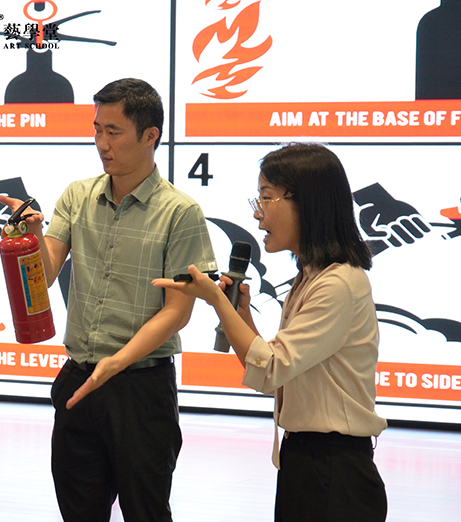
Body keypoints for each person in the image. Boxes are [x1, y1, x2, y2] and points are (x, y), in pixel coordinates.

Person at [0, 78, 217, 522]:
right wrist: (32, 236)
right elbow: (46, 274)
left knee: (146, 512)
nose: (101, 143)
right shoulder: (77, 195)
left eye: (113, 132)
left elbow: (177, 313)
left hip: (140, 390)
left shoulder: (181, 212)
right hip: (79, 382)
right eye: (97, 130)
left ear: (150, 135)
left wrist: (116, 363)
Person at [153, 143, 388, 521]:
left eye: (266, 197)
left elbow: (271, 368)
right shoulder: (311, 277)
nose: (258, 213)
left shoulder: (338, 284)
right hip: (307, 462)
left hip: (335, 470)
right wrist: (240, 314)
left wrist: (218, 301)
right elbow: (270, 369)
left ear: (306, 203)